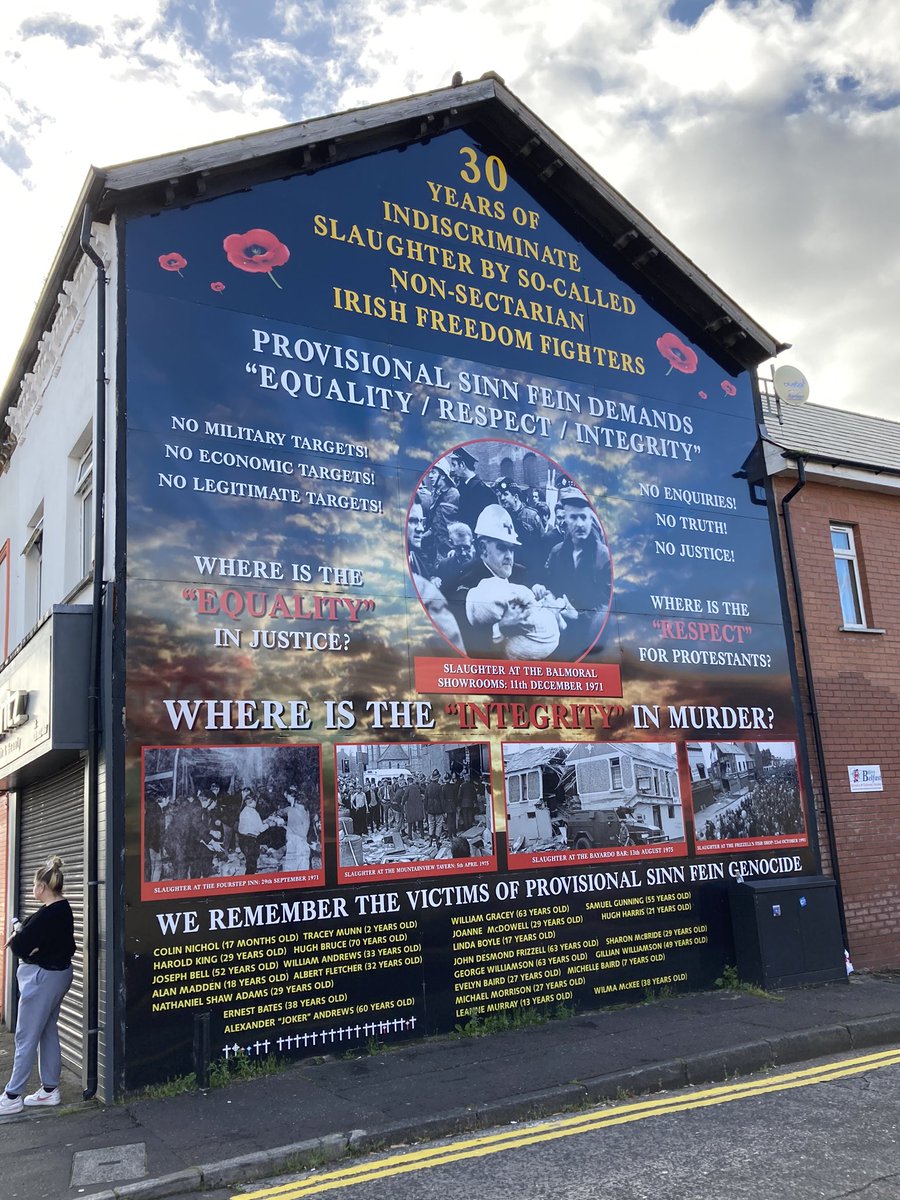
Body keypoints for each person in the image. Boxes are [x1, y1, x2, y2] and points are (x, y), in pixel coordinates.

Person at [1, 856, 77, 1114]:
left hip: (42, 980)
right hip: (59, 975)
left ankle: (12, 1095)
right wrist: (25, 936)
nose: (33, 889)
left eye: (34, 885)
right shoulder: (63, 908)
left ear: (42, 887)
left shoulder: (47, 916)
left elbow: (20, 946)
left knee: (25, 1036)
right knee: (46, 1030)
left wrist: (20, 937)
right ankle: (49, 1090)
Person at [543, 487, 612, 659]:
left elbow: (608, 604)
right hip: (561, 634)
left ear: (590, 518)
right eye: (574, 517)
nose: (580, 524)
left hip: (591, 640)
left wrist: (579, 616)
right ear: (565, 519)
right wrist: (547, 594)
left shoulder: (604, 556)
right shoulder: (557, 552)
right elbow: (551, 586)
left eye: (584, 517)